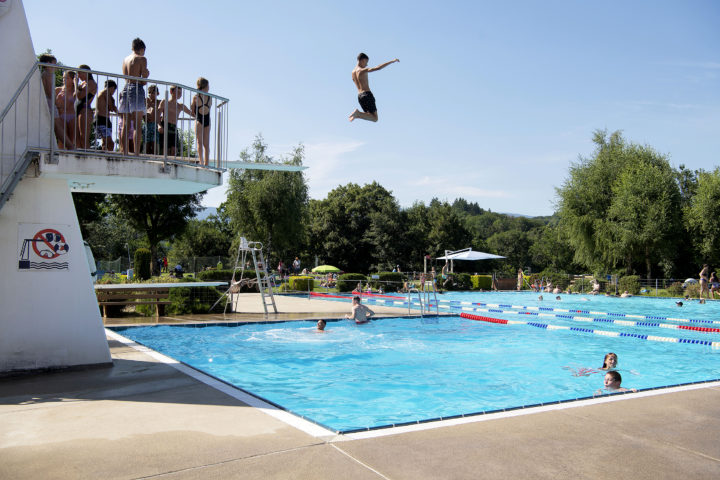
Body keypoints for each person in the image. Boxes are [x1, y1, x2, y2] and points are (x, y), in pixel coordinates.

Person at [119, 38, 149, 155]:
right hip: (136, 88)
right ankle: (136, 153)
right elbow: (144, 79)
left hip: (126, 88)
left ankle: (124, 151)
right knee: (137, 123)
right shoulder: (141, 59)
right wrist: (147, 74)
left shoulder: (125, 59)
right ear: (142, 49)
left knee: (126, 123)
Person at [348, 53, 399, 122]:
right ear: (362, 60)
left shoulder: (352, 72)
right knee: (375, 118)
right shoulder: (361, 70)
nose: (366, 65)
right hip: (367, 95)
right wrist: (392, 61)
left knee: (371, 116)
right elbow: (378, 68)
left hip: (360, 97)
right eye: (366, 62)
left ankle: (357, 114)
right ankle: (358, 113)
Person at [39, 54, 75, 150]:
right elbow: (50, 92)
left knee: (57, 126)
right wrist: (56, 101)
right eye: (54, 63)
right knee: (58, 127)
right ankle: (70, 146)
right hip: (50, 103)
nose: (56, 65)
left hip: (49, 102)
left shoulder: (46, 74)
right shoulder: (48, 74)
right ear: (48, 63)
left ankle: (69, 146)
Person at [158, 85, 192, 156]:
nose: (179, 94)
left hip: (174, 127)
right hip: (165, 125)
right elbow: (158, 115)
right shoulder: (165, 101)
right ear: (171, 92)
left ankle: (171, 165)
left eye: (180, 93)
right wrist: (159, 125)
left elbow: (192, 113)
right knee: (165, 149)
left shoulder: (180, 105)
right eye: (177, 92)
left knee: (174, 149)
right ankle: (165, 165)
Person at [74, 65, 97, 149]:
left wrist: (75, 84)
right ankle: (80, 155)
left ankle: (86, 155)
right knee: (77, 137)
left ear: (86, 73)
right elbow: (74, 95)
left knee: (83, 136)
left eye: (79, 73)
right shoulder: (84, 83)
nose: (78, 75)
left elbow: (79, 96)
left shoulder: (91, 83)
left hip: (85, 110)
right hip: (78, 110)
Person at [191, 77, 212, 166]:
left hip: (203, 119)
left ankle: (204, 162)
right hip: (203, 119)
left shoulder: (198, 97)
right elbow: (193, 110)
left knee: (203, 143)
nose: (209, 87)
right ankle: (204, 162)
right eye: (208, 85)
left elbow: (192, 110)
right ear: (205, 86)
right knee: (203, 142)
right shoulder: (200, 97)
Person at [94, 80, 118, 151]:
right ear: (112, 88)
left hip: (104, 119)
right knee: (110, 143)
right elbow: (111, 107)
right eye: (114, 90)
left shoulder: (104, 93)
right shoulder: (106, 92)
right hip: (101, 119)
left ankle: (105, 156)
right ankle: (109, 158)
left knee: (105, 142)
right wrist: (112, 102)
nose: (113, 93)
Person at [55, 70, 76, 145]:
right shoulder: (58, 90)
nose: (64, 80)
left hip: (72, 116)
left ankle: (70, 154)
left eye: (67, 78)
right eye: (63, 78)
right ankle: (60, 154)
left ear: (72, 80)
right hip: (61, 115)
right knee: (62, 138)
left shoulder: (76, 91)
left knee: (71, 138)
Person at [143, 84, 161, 154]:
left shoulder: (159, 102)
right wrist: (144, 117)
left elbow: (160, 112)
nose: (151, 94)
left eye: (153, 93)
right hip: (146, 125)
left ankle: (155, 160)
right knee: (146, 145)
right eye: (149, 93)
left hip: (155, 125)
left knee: (154, 145)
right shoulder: (145, 101)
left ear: (157, 93)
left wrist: (151, 104)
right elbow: (142, 112)